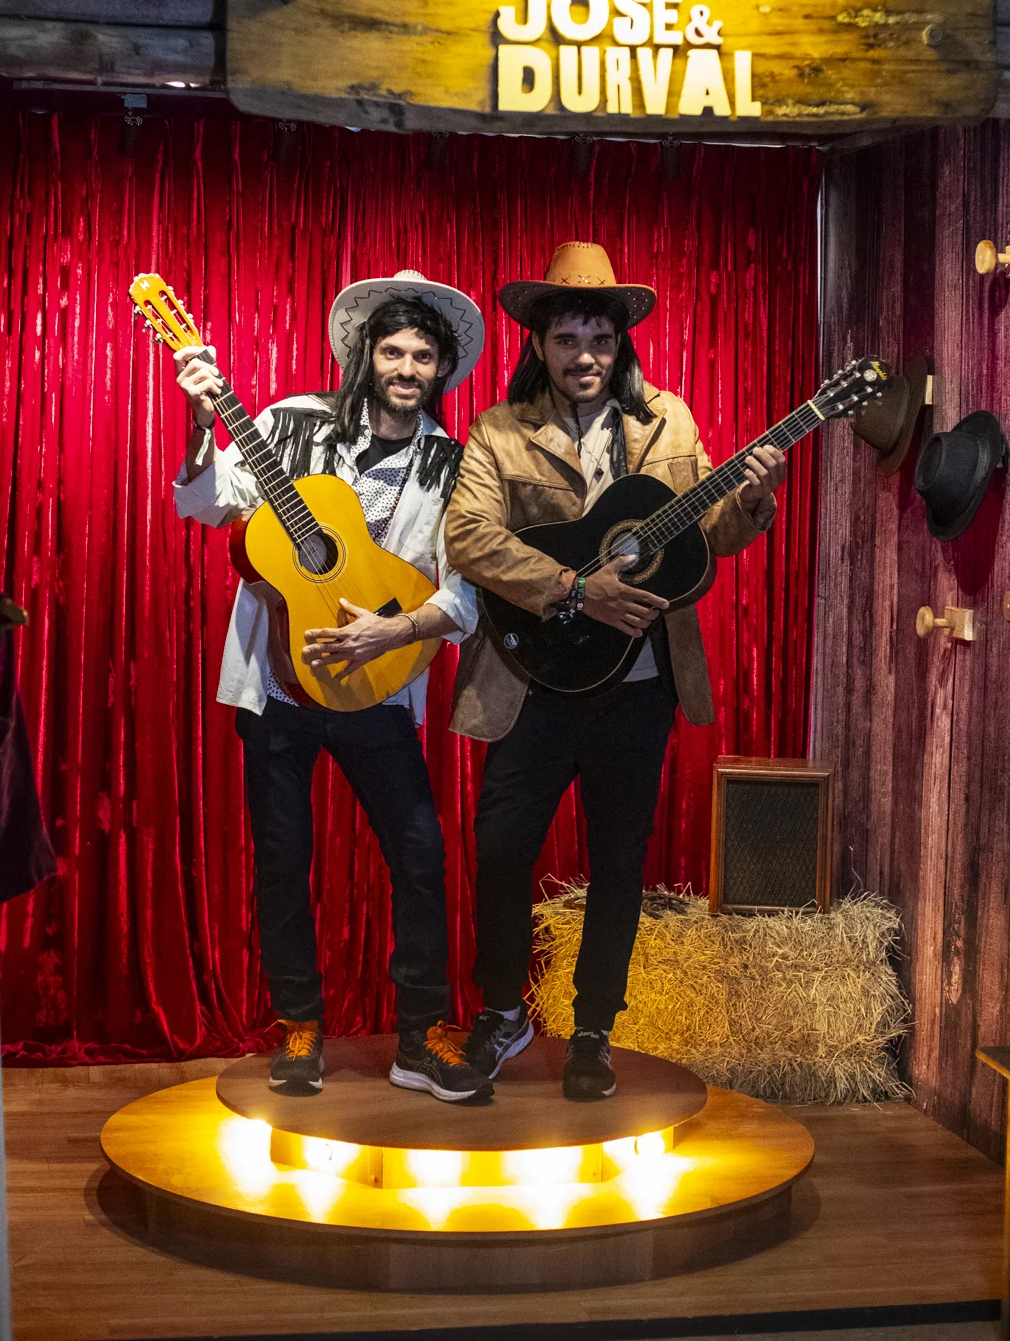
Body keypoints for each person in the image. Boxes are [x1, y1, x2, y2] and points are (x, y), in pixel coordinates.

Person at [445, 241, 786, 1102]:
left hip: (639, 684)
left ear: (620, 342)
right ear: (540, 344)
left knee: (619, 860)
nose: (585, 356)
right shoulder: (498, 430)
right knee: (502, 848)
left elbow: (705, 539)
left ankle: (594, 1027)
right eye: (568, 339)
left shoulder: (669, 421)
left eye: (600, 339)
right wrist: (573, 587)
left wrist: (752, 501)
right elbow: (469, 538)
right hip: (531, 679)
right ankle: (502, 1012)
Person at [172, 270, 490, 1103]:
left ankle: (421, 1036)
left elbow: (465, 592)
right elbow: (208, 504)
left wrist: (396, 630)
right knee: (283, 858)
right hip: (278, 691)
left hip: (378, 688)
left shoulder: (455, 466)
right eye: (394, 351)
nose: (408, 368)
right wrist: (203, 425)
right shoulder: (290, 423)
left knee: (420, 855)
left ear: (441, 368)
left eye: (424, 356)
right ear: (365, 354)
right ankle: (299, 1024)